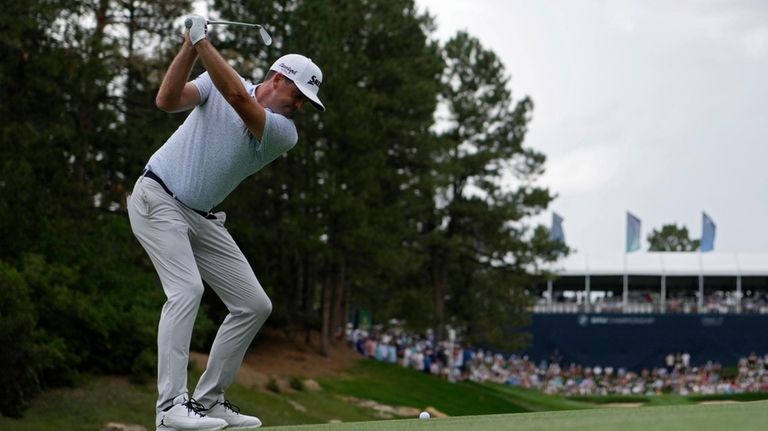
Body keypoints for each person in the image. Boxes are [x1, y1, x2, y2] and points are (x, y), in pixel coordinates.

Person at [127, 15, 325, 431]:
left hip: (202, 219)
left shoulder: (283, 132)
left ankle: (210, 398)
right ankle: (169, 408)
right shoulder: (218, 83)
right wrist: (188, 47)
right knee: (186, 290)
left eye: (307, 100)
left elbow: (237, 97)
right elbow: (167, 100)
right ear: (277, 78)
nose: (300, 104)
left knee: (254, 305)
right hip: (156, 197)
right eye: (299, 92)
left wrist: (201, 42)